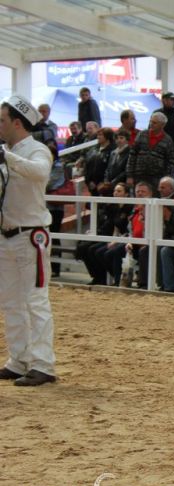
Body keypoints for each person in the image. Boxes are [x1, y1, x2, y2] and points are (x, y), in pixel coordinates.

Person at [0, 95, 57, 386]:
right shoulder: (5, 151)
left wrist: (7, 158)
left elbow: (39, 174)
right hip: (6, 234)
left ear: (17, 123)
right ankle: (19, 359)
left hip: (32, 235)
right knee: (10, 301)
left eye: (2, 120)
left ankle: (43, 364)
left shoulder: (38, 150)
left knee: (35, 300)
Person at [126, 112, 174, 191]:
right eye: (151, 121)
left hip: (157, 178)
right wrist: (129, 175)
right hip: (139, 175)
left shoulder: (168, 140)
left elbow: (171, 162)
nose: (151, 124)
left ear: (162, 125)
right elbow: (132, 155)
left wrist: (168, 180)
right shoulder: (141, 135)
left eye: (154, 123)